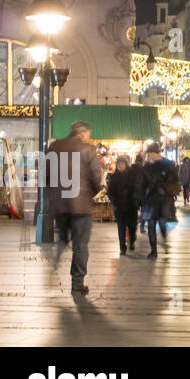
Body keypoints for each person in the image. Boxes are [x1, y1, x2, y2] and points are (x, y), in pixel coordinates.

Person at [47, 121, 104, 294]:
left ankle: (56, 259)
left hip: (60, 205)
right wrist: (90, 194)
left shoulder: (54, 147)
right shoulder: (88, 149)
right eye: (88, 133)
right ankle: (77, 283)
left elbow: (47, 175)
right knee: (80, 245)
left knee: (64, 239)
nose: (88, 137)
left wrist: (54, 197)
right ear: (83, 133)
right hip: (80, 206)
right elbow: (96, 178)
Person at [135, 142, 179, 259]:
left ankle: (164, 239)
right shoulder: (146, 167)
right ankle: (153, 251)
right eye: (149, 154)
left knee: (162, 222)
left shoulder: (167, 164)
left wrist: (169, 188)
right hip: (149, 199)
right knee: (150, 224)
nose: (150, 156)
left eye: (151, 153)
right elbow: (141, 184)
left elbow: (174, 180)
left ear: (156, 153)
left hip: (163, 198)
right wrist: (139, 199)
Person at [106, 153, 139, 255]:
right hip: (119, 206)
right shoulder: (114, 176)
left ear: (126, 164)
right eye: (118, 164)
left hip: (131, 206)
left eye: (122, 164)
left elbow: (136, 189)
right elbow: (110, 191)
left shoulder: (132, 175)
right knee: (121, 227)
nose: (120, 166)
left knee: (132, 226)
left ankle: (132, 240)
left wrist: (135, 200)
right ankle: (122, 248)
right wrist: (114, 202)